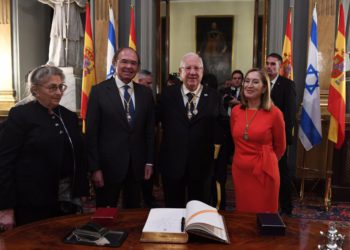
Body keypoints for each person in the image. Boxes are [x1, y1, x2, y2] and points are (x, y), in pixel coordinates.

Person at [0, 65, 88, 230]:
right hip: (31, 201)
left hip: (65, 199)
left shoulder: (68, 116)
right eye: (52, 87)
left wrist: (81, 191)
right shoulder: (20, 116)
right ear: (35, 90)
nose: (59, 92)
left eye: (61, 86)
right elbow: (5, 163)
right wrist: (5, 208)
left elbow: (79, 156)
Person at [86, 47, 155, 208]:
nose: (129, 66)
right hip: (107, 167)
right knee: (105, 213)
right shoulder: (98, 92)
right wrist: (95, 168)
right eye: (124, 62)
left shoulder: (145, 94)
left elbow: (149, 131)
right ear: (114, 63)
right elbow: (91, 133)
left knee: (133, 213)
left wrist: (150, 162)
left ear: (137, 67)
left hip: (137, 166)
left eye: (133, 63)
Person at [158, 52, 225, 208]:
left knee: (199, 213)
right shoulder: (167, 94)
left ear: (202, 72)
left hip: (202, 167)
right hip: (172, 165)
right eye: (188, 68)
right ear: (180, 71)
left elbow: (223, 128)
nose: (193, 72)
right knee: (173, 212)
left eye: (197, 68)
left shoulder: (214, 96)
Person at [231, 68, 286, 213]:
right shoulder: (236, 111)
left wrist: (267, 160)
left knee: (265, 217)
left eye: (255, 82)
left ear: (264, 88)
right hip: (240, 171)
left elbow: (280, 147)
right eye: (247, 81)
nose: (249, 85)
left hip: (264, 173)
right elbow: (236, 139)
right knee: (243, 215)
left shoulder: (275, 113)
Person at [265, 53, 296, 215]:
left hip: (279, 138)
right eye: (267, 64)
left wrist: (284, 138)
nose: (269, 67)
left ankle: (286, 207)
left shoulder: (287, 85)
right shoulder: (261, 84)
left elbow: (290, 115)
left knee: (282, 173)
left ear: (279, 67)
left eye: (273, 64)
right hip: (262, 138)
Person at [213, 69, 243, 210]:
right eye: (234, 78)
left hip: (241, 131)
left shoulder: (246, 93)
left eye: (239, 78)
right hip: (225, 132)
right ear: (231, 79)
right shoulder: (223, 91)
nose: (237, 80)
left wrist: (238, 103)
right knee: (222, 165)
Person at [38, 0, 85, 70]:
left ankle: (74, 64)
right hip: (59, 19)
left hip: (73, 18)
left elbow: (84, 4)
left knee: (73, 39)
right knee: (58, 40)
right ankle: (55, 62)